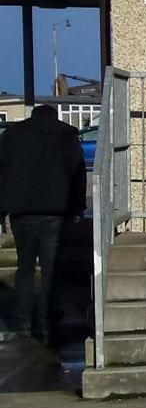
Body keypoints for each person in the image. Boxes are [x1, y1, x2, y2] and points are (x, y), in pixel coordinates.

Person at [0, 104, 86, 344]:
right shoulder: (66, 135)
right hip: (55, 211)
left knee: (25, 269)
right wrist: (77, 208)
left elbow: (2, 171)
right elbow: (78, 174)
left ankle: (24, 323)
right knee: (51, 269)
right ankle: (48, 322)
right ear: (55, 116)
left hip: (21, 212)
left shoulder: (12, 134)